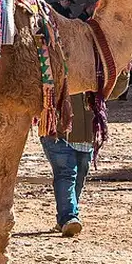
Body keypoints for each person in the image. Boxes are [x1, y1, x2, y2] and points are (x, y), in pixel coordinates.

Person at [40, 94, 96, 236]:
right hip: (57, 134)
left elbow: (113, 92)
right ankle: (69, 217)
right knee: (66, 175)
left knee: (78, 178)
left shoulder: (97, 73)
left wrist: (122, 74)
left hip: (86, 138)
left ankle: (65, 218)